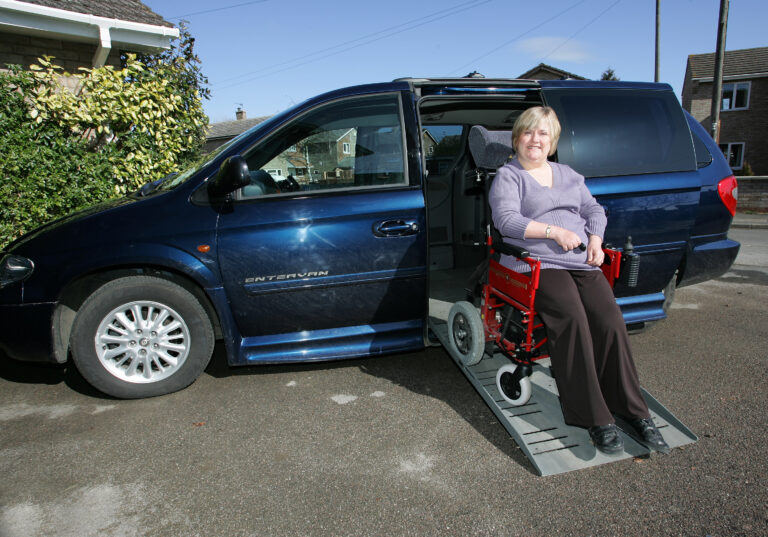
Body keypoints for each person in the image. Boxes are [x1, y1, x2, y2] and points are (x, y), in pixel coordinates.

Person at [488, 106, 668, 454]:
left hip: (581, 260)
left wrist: (597, 240)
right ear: (517, 138)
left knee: (610, 321)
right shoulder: (509, 176)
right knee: (571, 318)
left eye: (543, 134)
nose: (535, 140)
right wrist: (553, 232)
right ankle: (595, 418)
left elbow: (593, 211)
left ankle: (633, 410)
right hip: (535, 262)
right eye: (528, 132)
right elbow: (506, 221)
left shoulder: (568, 173)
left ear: (552, 142)